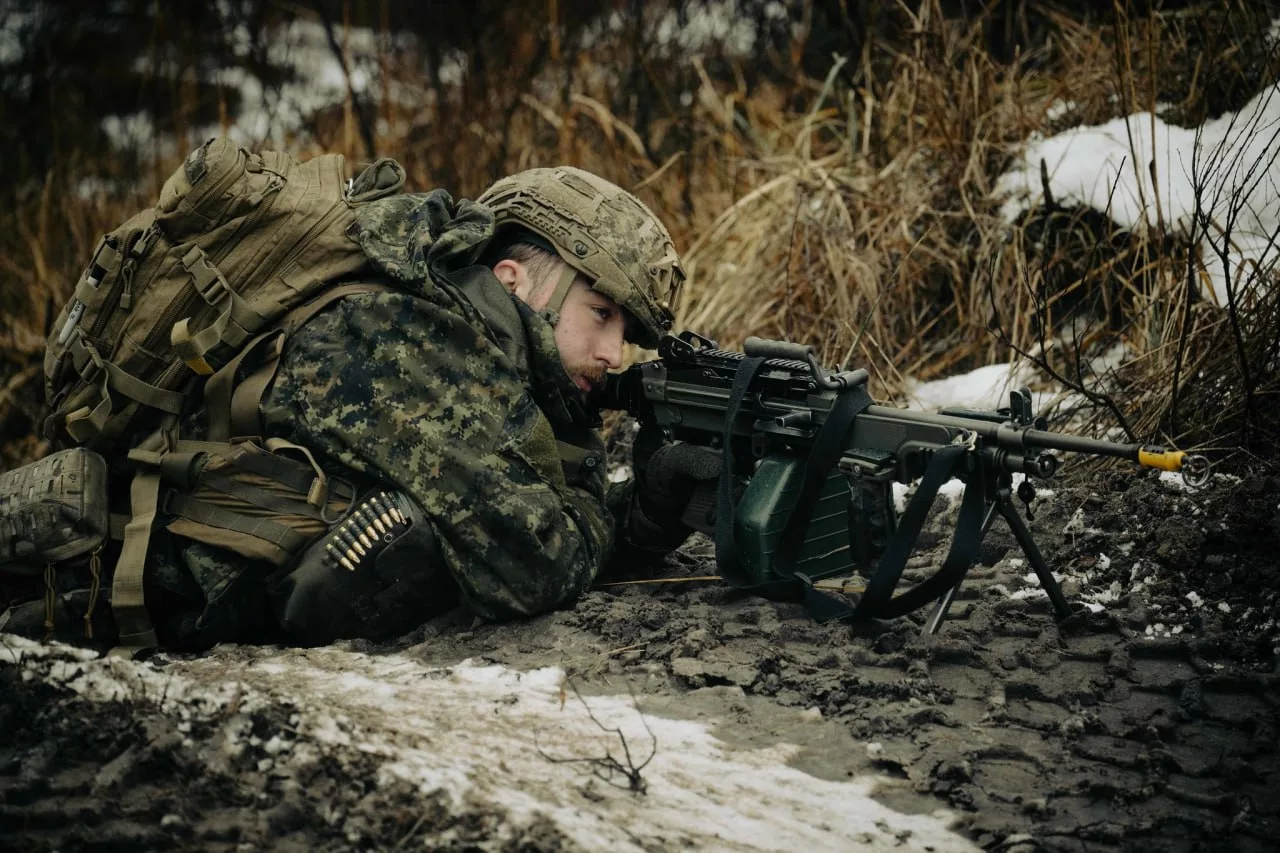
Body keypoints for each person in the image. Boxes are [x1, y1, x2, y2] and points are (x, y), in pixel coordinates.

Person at [0, 165, 714, 649]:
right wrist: (615, 508)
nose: (616, 353)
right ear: (514, 280)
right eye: (602, 314)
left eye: (629, 333)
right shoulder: (412, 340)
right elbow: (535, 558)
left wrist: (643, 513)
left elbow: (530, 511)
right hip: (71, 583)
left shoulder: (470, 346)